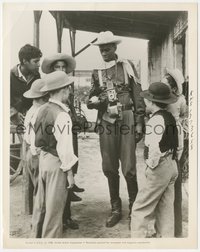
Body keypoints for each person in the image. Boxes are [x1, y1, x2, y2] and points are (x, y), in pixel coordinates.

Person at [87, 31, 145, 228]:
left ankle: (135, 210)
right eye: (101, 49)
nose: (104, 51)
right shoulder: (97, 72)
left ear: (115, 48)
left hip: (127, 117)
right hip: (106, 121)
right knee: (109, 167)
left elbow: (137, 95)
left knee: (129, 167)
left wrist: (138, 122)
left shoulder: (127, 66)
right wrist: (93, 102)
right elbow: (91, 98)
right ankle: (116, 209)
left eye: (108, 48)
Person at [31, 71, 78, 238]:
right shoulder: (62, 115)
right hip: (56, 163)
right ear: (63, 90)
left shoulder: (40, 109)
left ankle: (34, 241)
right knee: (54, 211)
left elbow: (32, 139)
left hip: (43, 159)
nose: (69, 92)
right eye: (68, 88)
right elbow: (65, 149)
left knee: (40, 207)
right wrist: (70, 174)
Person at [41, 53, 83, 230]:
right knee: (60, 178)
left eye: (63, 67)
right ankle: (57, 220)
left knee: (68, 173)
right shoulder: (49, 94)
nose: (60, 70)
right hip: (54, 141)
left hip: (68, 135)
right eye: (56, 67)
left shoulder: (68, 91)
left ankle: (66, 216)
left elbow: (70, 112)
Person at [131, 82, 178, 238]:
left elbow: (154, 149)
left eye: (147, 99)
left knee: (140, 208)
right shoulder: (170, 116)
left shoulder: (155, 121)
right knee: (165, 207)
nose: (145, 101)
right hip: (172, 164)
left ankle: (137, 243)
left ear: (151, 102)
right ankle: (166, 240)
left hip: (160, 166)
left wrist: (150, 167)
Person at [161, 68, 187, 237]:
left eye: (166, 82)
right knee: (162, 187)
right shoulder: (159, 99)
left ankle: (175, 230)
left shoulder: (179, 100)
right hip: (163, 139)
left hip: (174, 142)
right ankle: (165, 229)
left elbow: (184, 118)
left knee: (173, 187)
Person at [23, 79, 49, 199]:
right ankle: (42, 216)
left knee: (39, 188)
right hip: (36, 154)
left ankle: (40, 214)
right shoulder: (39, 112)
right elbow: (34, 137)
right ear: (44, 97)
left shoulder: (31, 111)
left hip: (31, 152)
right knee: (42, 190)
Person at [10, 44, 42, 125]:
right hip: (12, 122)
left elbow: (38, 96)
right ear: (24, 61)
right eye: (36, 61)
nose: (39, 64)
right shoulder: (9, 76)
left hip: (30, 119)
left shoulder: (36, 75)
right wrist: (13, 114)